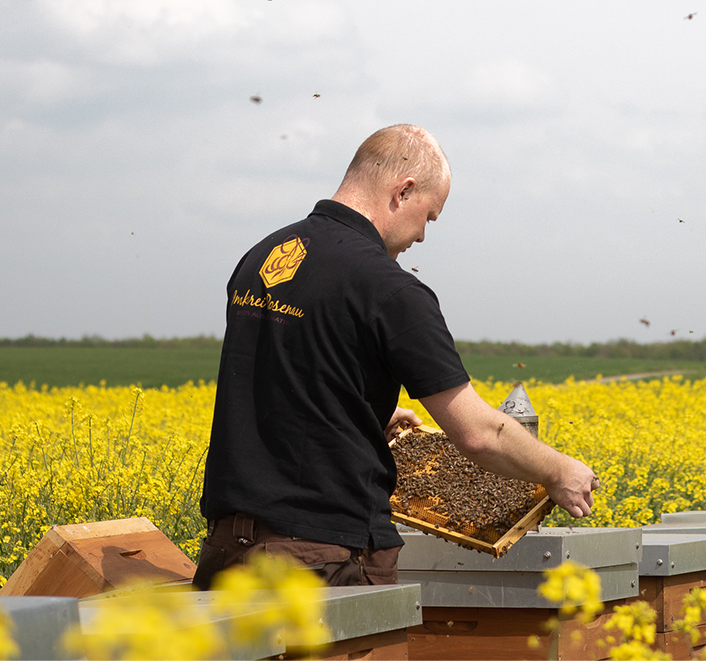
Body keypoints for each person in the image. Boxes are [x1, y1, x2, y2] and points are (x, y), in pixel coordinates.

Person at [193, 124, 598, 590]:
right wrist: (557, 469)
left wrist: (361, 414)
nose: (423, 236)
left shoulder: (263, 257)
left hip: (227, 554)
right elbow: (477, 433)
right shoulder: (390, 289)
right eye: (429, 215)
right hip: (319, 560)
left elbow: (285, 380)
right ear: (403, 191)